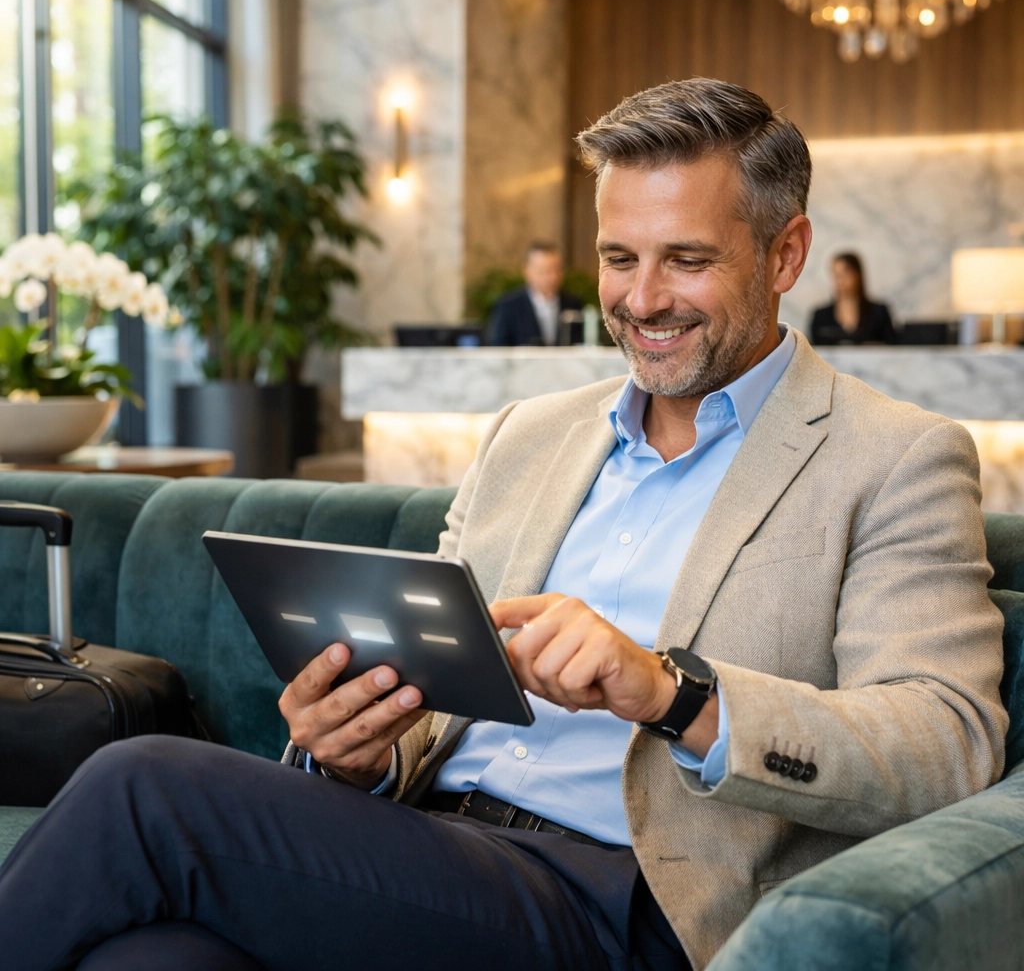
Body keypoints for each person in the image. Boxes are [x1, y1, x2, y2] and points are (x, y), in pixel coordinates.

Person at [0, 79, 1006, 971]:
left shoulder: (892, 456)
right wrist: (357, 753)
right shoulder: (529, 435)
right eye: (618, 258)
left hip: (622, 901)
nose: (642, 299)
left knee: (141, 785)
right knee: (148, 956)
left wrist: (672, 692)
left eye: (687, 260)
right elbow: (434, 698)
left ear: (786, 253)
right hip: (434, 855)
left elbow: (947, 741)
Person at [487, 242, 583, 346]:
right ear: (527, 271)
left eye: (556, 270)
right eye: (543, 271)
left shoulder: (573, 304)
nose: (551, 277)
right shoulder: (509, 306)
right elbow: (498, 346)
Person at [809, 252, 898, 344]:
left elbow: (892, 347)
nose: (840, 281)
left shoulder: (879, 313)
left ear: (857, 275)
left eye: (844, 274)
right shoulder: (820, 316)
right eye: (836, 275)